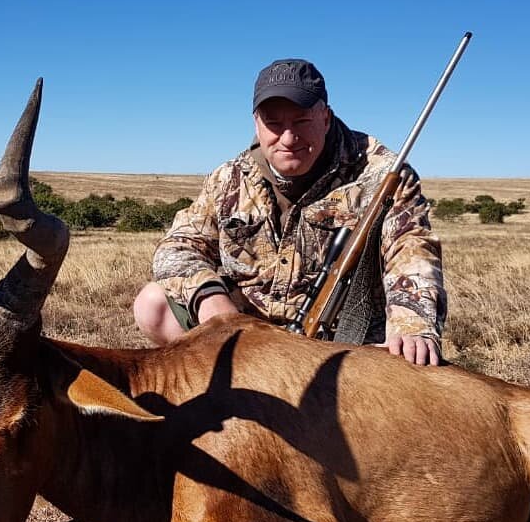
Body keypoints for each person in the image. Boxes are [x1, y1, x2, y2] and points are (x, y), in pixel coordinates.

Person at [133, 58, 446, 365]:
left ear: (325, 117)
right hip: (250, 330)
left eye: (301, 122)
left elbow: (411, 246)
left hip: (343, 334)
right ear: (256, 122)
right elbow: (177, 246)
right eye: (274, 124)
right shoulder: (227, 178)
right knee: (153, 304)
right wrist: (211, 302)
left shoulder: (384, 175)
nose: (288, 139)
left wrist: (412, 323)